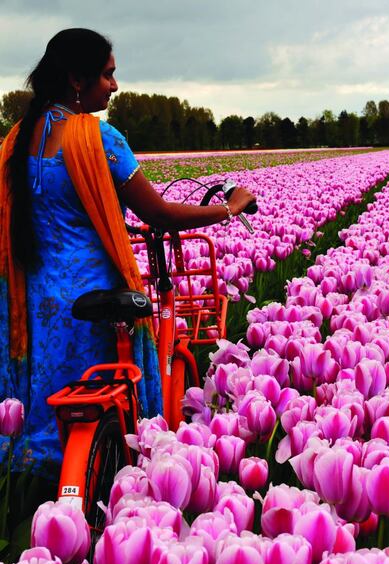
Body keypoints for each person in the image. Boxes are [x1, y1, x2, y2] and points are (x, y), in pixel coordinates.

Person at [0, 28, 256, 477]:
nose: (114, 86)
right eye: (107, 75)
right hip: (94, 294)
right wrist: (228, 208)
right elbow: (159, 215)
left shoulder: (15, 143)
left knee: (47, 405)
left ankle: (34, 491)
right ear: (77, 80)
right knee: (113, 401)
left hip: (33, 301)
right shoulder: (99, 139)